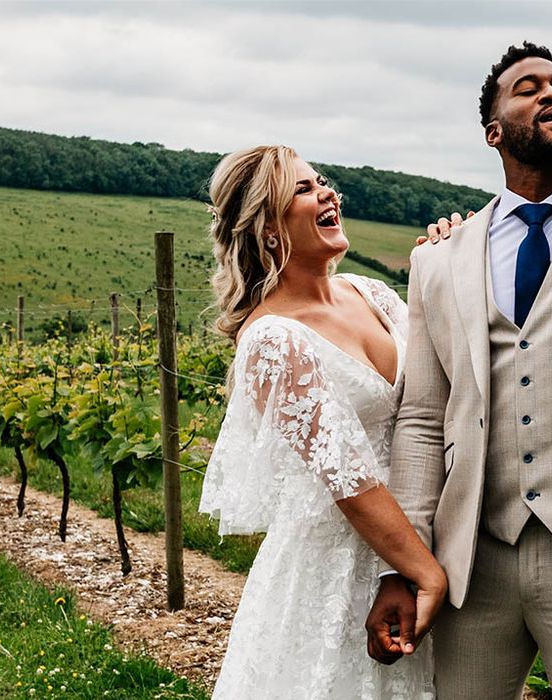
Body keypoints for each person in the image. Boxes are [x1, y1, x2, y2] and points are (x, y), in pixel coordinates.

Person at [366, 44, 552, 700]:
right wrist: (408, 564)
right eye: (528, 87)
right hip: (472, 561)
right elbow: (422, 418)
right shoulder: (439, 260)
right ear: (494, 131)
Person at [198, 145, 445, 699]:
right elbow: (349, 477)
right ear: (266, 228)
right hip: (337, 564)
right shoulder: (272, 339)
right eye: (303, 190)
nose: (327, 194)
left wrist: (447, 264)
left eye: (322, 182)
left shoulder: (370, 292)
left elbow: (438, 387)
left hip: (420, 528)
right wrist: (425, 574)